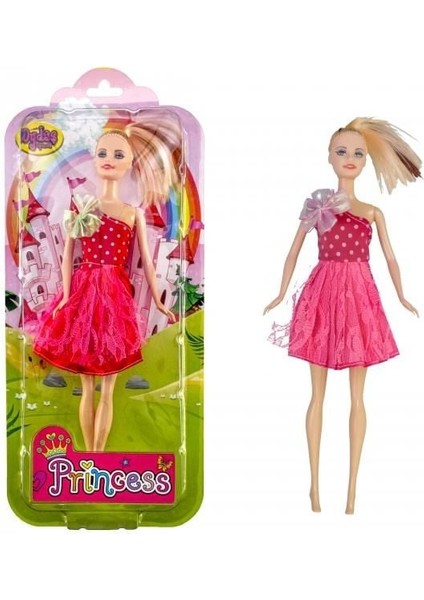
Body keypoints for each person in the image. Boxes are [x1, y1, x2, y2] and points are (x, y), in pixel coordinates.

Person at [263, 118, 421, 514]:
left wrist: (402, 295)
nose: (350, 158)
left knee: (357, 397)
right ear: (329, 157)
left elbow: (390, 257)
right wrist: (280, 292)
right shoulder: (319, 206)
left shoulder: (372, 211)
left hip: (360, 297)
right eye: (342, 152)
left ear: (366, 161)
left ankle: (351, 493)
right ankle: (314, 489)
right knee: (317, 396)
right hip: (323, 292)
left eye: (358, 153)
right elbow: (293, 251)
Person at [34, 114, 181, 452]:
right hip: (84, 292)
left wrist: (160, 302)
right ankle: (89, 456)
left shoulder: (133, 212)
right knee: (87, 387)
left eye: (118, 154)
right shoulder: (82, 206)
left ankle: (97, 456)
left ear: (131, 163)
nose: (109, 160)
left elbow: (146, 261)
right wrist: (64, 297)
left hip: (114, 294)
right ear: (94, 157)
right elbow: (68, 255)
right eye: (102, 153)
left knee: (108, 389)